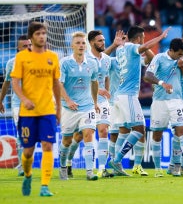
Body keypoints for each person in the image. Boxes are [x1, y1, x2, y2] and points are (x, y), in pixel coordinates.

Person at [108, 26, 170, 177]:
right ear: (139, 38)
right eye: (143, 37)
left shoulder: (122, 49)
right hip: (128, 95)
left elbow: (149, 59)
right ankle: (116, 160)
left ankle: (117, 166)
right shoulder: (132, 48)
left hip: (119, 95)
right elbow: (146, 47)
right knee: (139, 129)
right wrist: (160, 37)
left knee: (124, 130)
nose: (144, 40)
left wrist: (144, 46)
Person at [11, 21, 61, 196]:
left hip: (47, 110)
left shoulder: (53, 57)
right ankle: (28, 174)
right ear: (32, 37)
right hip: (28, 112)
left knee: (48, 146)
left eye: (43, 33)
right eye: (38, 34)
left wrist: (59, 110)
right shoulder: (22, 57)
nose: (42, 36)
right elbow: (14, 81)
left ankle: (45, 186)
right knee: (28, 151)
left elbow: (56, 84)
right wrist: (23, 99)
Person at [144, 38, 183, 177]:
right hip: (159, 102)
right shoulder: (159, 58)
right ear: (172, 51)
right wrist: (162, 83)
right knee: (157, 135)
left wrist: (181, 66)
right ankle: (157, 169)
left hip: (176, 100)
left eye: (182, 54)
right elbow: (147, 76)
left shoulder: (182, 60)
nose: (181, 57)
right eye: (179, 54)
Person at [58, 31, 100, 181]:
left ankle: (90, 171)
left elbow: (94, 82)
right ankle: (63, 167)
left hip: (87, 106)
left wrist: (95, 103)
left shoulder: (92, 63)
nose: (81, 45)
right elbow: (59, 84)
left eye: (83, 43)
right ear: (72, 45)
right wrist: (68, 100)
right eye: (78, 43)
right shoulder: (65, 62)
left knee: (88, 135)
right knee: (67, 141)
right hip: (69, 108)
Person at [0, 35, 32, 176]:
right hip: (18, 104)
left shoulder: (39, 61)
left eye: (29, 45)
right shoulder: (11, 63)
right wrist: (0, 100)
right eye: (24, 46)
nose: (28, 48)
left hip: (37, 104)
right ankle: (22, 166)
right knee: (22, 133)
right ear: (18, 48)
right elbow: (6, 83)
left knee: (32, 135)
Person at [87, 30, 113, 178]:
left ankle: (102, 168)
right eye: (99, 41)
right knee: (83, 135)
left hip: (102, 102)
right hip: (86, 102)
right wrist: (99, 91)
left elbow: (107, 77)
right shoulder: (85, 59)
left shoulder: (107, 59)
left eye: (103, 40)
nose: (103, 43)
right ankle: (68, 163)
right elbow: (83, 83)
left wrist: (106, 92)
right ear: (91, 43)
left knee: (103, 131)